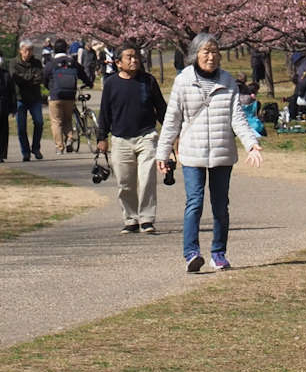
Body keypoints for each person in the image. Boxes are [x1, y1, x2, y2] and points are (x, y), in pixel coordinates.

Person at [158, 33, 263, 272]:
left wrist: (251, 143)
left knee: (220, 205)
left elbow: (238, 118)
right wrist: (162, 153)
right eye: (206, 52)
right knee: (194, 202)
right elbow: (172, 119)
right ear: (195, 54)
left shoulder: (227, 80)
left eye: (215, 52)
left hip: (222, 150)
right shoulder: (183, 81)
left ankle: (218, 253)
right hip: (192, 151)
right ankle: (191, 253)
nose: (211, 56)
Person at [95, 44, 168, 233]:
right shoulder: (111, 83)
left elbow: (161, 108)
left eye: (136, 57)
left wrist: (171, 133)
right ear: (118, 62)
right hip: (120, 139)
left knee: (146, 179)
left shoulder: (148, 81)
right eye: (129, 57)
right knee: (125, 182)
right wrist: (102, 137)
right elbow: (105, 113)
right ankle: (130, 219)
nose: (134, 60)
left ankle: (147, 219)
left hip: (146, 136)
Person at [9, 40, 46, 161]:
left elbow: (39, 78)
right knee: (21, 127)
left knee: (39, 122)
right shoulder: (14, 63)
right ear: (21, 50)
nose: (28, 53)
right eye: (26, 50)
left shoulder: (37, 63)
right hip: (20, 98)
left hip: (35, 97)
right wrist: (30, 78)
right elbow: (16, 79)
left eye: (30, 50)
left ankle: (36, 147)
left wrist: (25, 79)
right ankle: (25, 152)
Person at [46, 45, 85, 152]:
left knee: (56, 121)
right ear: (66, 50)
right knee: (68, 119)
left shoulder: (51, 63)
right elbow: (82, 74)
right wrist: (89, 83)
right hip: (70, 95)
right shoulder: (72, 62)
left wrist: (49, 87)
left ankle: (59, 147)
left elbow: (44, 77)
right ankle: (70, 138)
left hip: (55, 96)